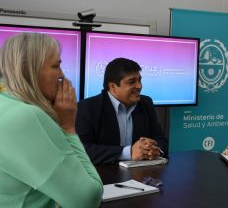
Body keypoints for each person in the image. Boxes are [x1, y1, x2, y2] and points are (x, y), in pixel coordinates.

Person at [0, 33, 102, 208]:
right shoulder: (27, 116)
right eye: (56, 66)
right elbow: (87, 199)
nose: (62, 76)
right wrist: (68, 127)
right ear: (28, 70)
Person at [76, 57, 168, 165]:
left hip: (140, 175)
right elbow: (83, 150)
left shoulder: (146, 103)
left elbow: (161, 140)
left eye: (139, 80)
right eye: (132, 82)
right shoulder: (87, 107)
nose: (139, 86)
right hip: (103, 175)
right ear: (113, 87)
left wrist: (155, 150)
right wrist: (128, 152)